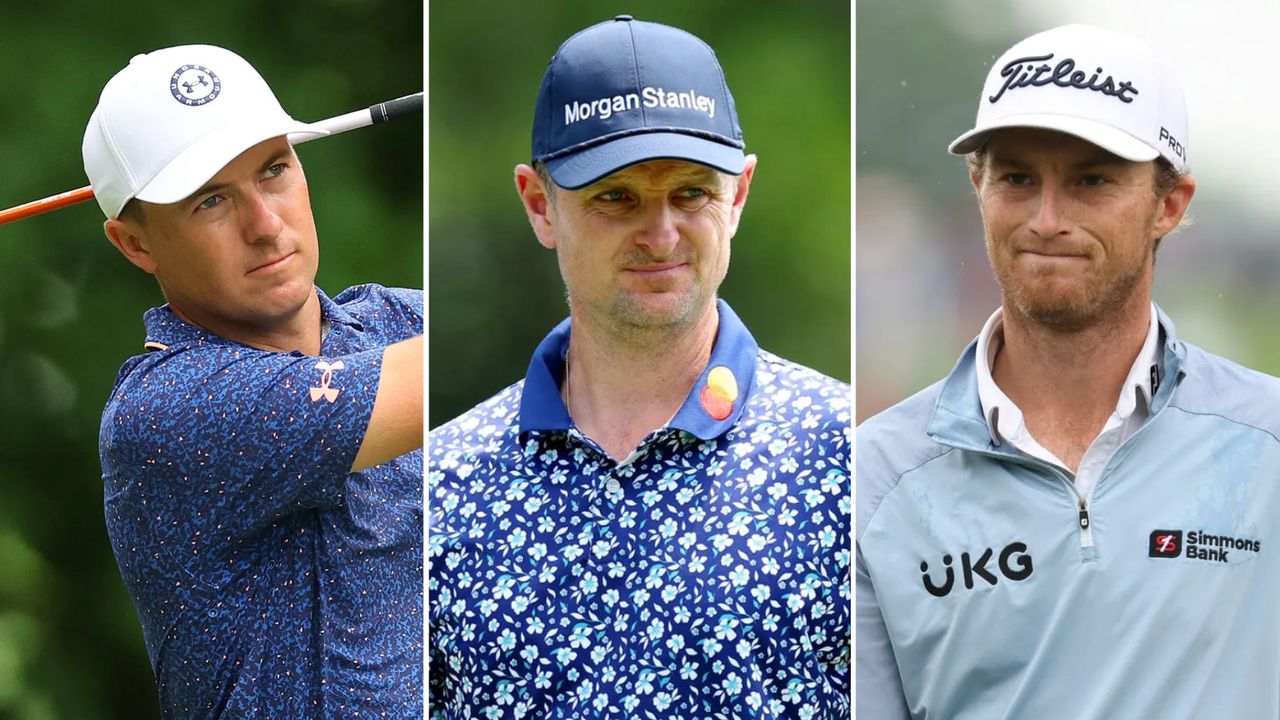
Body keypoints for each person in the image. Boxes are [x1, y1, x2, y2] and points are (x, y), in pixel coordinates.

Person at [428, 15, 850, 719]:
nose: (661, 235)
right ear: (540, 206)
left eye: (692, 193)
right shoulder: (441, 485)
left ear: (739, 194)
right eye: (615, 197)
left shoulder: (848, 459)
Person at [856, 23, 1280, 718]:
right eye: (1018, 178)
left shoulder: (1269, 443)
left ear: (1169, 204)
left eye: (1091, 180)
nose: (1047, 219)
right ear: (978, 187)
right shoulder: (875, 476)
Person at [85, 44, 423, 718]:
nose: (266, 226)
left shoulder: (396, 320)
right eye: (212, 200)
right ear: (135, 244)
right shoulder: (163, 410)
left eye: (274, 170)